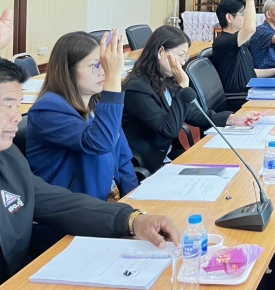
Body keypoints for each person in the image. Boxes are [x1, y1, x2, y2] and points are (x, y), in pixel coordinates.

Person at [0, 57, 180, 283]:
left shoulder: (9, 156)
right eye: (8, 105)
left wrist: (132, 220)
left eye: (18, 106)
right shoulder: (48, 111)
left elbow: (56, 202)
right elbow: (98, 143)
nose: (17, 117)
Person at [122, 26, 260, 174]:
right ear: (161, 52)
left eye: (185, 57)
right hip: (150, 163)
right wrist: (183, 85)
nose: (182, 62)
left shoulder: (165, 78)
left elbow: (193, 113)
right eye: (180, 55)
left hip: (168, 154)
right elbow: (168, 130)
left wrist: (232, 119)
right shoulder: (137, 88)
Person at [26, 30, 138, 201]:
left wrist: (134, 199)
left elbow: (123, 159)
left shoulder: (97, 102)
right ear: (68, 70)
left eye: (105, 64)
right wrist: (113, 79)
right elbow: (100, 143)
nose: (104, 72)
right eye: (96, 65)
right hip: (73, 210)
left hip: (107, 203)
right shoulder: (47, 110)